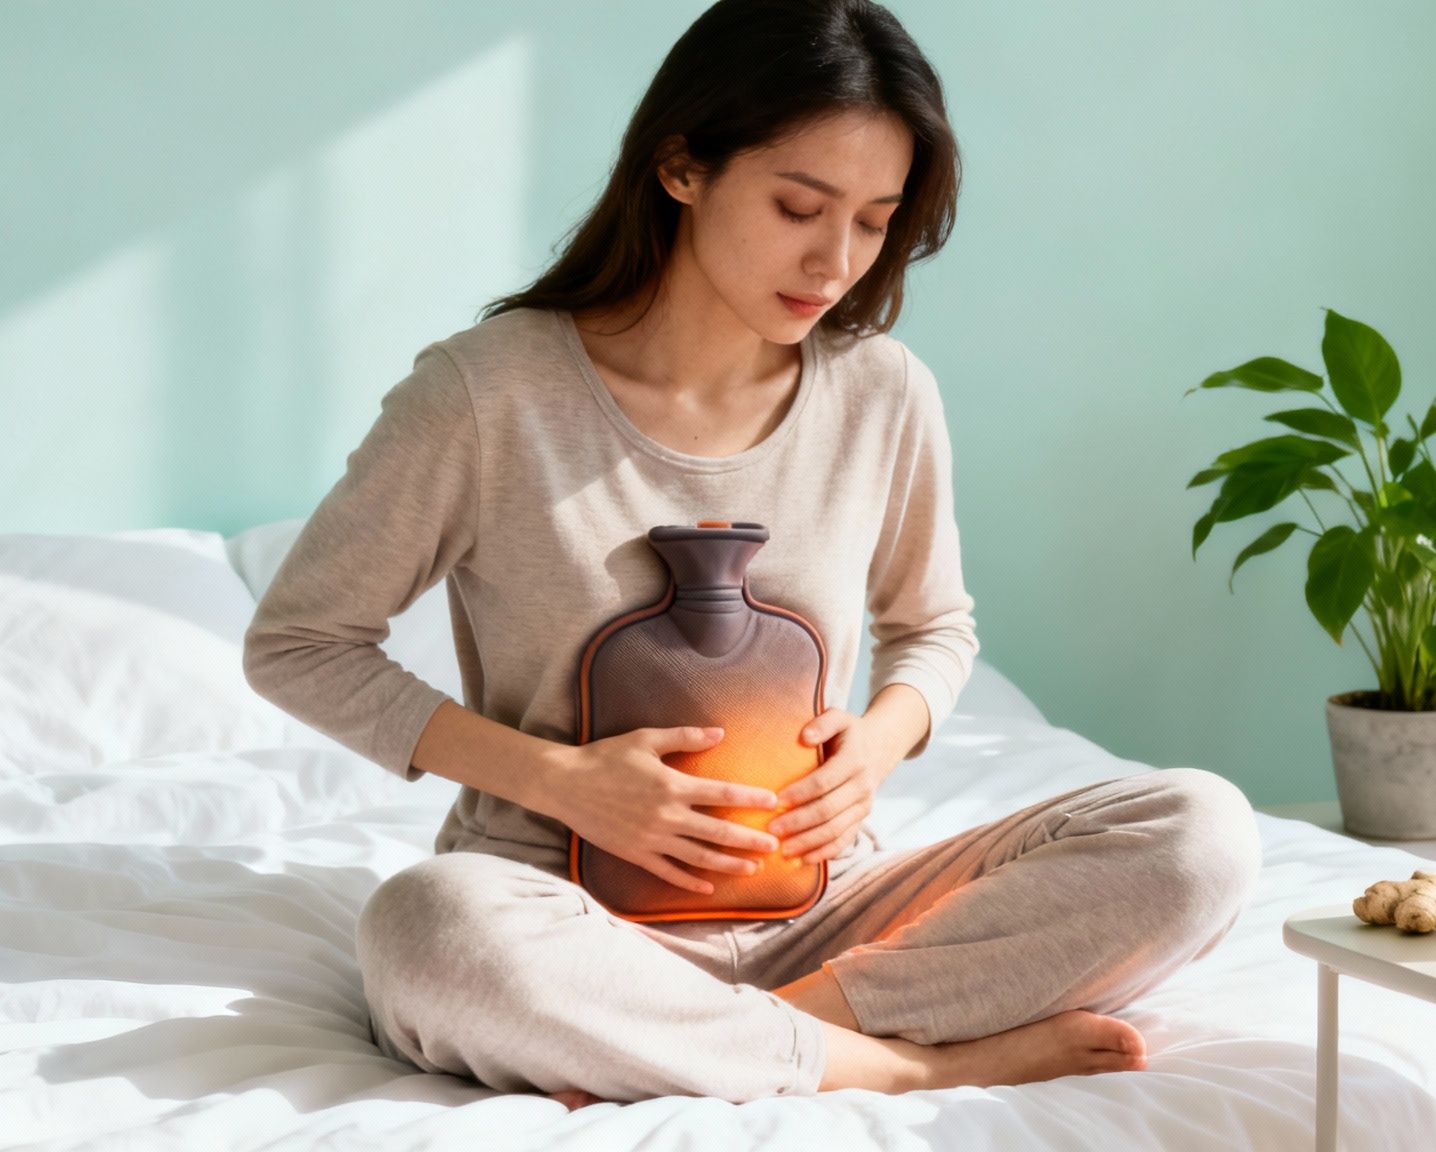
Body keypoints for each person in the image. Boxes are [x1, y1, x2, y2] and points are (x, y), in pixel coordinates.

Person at [243, 0, 1260, 1109]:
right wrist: (560, 782)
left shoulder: (883, 392)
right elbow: (300, 643)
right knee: (428, 927)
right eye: (796, 206)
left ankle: (739, 1042)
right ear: (681, 166)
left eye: (874, 221)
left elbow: (934, 628)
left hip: (831, 913)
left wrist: (876, 743)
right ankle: (904, 1065)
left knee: (1199, 832)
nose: (835, 259)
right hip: (563, 916)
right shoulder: (486, 395)